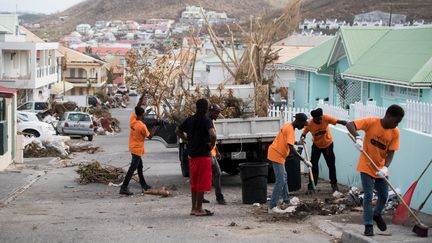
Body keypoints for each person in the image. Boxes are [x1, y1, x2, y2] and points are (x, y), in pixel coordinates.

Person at [346, 104, 404, 236]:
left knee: (384, 195)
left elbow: (391, 153)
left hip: (380, 169)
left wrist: (385, 167)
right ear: (388, 116)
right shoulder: (372, 122)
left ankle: (377, 214)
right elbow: (350, 125)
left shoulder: (395, 132)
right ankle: (368, 225)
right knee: (368, 195)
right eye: (396, 121)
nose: (397, 125)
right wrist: (358, 137)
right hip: (366, 165)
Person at [176, 98, 216, 216]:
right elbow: (213, 134)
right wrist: (211, 146)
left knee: (194, 183)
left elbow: (177, 130)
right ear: (206, 108)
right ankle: (199, 208)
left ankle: (193, 208)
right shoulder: (206, 120)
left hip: (192, 156)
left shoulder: (190, 119)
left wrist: (187, 139)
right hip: (203, 156)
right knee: (202, 183)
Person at [267, 113, 312, 214]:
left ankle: (286, 200)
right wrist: (304, 160)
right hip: (277, 155)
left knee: (284, 177)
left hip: (278, 154)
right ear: (298, 121)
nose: (303, 126)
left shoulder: (288, 126)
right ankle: (272, 206)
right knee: (280, 180)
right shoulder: (290, 129)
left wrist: (297, 143)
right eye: (303, 124)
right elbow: (292, 150)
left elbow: (289, 142)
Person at [300, 108, 347, 192]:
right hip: (316, 146)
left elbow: (337, 121)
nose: (320, 120)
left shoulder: (325, 118)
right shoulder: (310, 124)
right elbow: (304, 134)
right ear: (314, 118)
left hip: (328, 145)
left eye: (321, 117)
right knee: (313, 165)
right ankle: (312, 184)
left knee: (331, 165)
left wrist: (346, 123)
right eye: (318, 118)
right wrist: (302, 138)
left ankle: (334, 184)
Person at [120, 106, 152, 196]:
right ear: (142, 115)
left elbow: (137, 107)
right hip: (137, 149)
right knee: (132, 168)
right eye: (144, 114)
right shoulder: (142, 126)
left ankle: (144, 185)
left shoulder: (132, 120)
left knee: (140, 167)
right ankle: (124, 187)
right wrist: (156, 126)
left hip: (132, 147)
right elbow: (150, 137)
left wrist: (142, 96)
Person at [202, 104, 226, 205]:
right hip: (206, 153)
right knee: (213, 173)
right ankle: (218, 197)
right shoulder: (206, 121)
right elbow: (212, 136)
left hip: (211, 153)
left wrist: (216, 150)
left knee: (216, 173)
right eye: (216, 112)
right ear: (210, 111)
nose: (217, 115)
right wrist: (211, 148)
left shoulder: (210, 121)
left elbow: (212, 139)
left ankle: (214, 196)